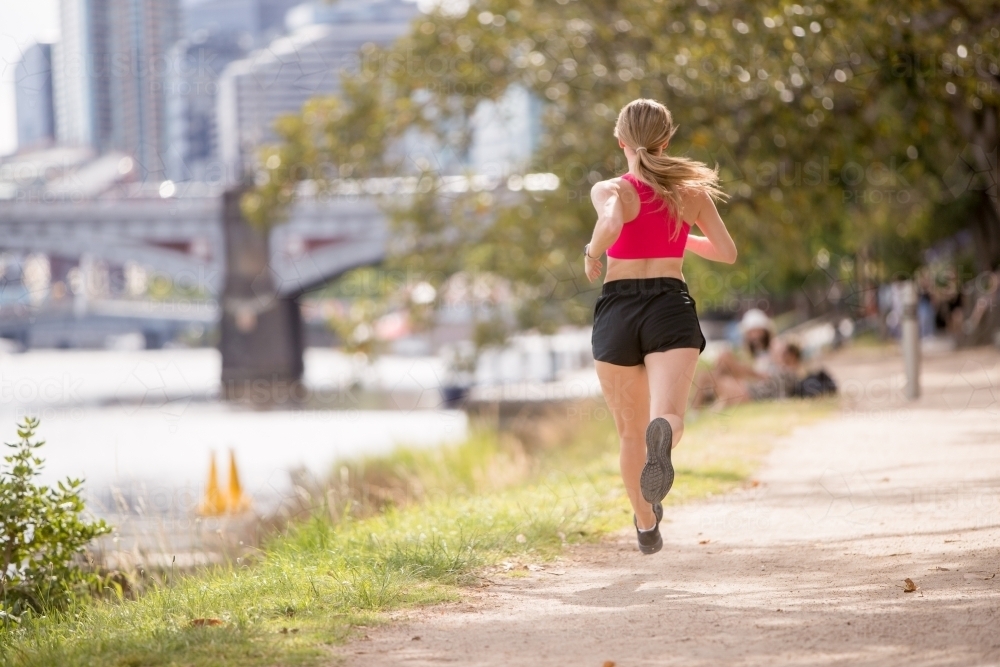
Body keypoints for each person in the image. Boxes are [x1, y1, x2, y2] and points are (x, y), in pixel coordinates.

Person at [585, 98, 737, 554]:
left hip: (618, 312)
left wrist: (593, 252)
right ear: (667, 141)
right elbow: (727, 252)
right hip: (669, 305)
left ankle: (646, 523)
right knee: (666, 415)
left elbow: (611, 223)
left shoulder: (611, 188)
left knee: (630, 434)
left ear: (621, 141)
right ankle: (665, 435)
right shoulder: (691, 193)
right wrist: (679, 234)